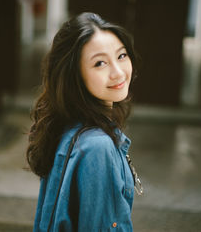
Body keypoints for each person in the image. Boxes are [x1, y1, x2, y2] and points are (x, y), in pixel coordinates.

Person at [26, 12, 142, 232]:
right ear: (74, 75)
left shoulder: (65, 124)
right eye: (100, 63)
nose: (118, 73)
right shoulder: (97, 147)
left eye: (121, 56)